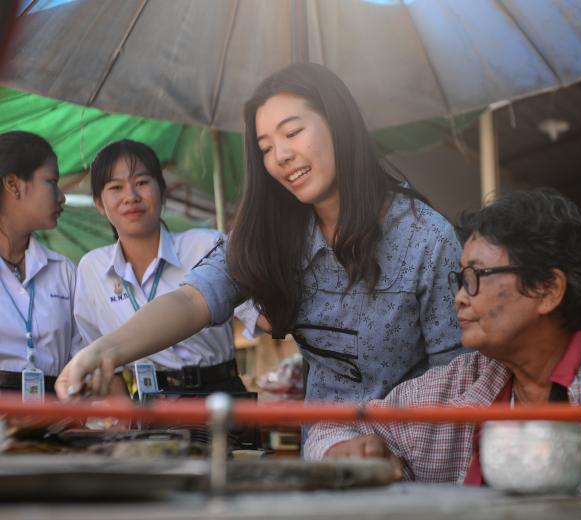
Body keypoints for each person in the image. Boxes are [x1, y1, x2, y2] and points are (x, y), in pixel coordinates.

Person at [304, 189, 581, 520]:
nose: (458, 297)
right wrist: (349, 450)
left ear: (548, 289)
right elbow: (331, 427)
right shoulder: (475, 377)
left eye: (476, 277)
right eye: (459, 278)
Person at [56, 63, 464, 404]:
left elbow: (458, 374)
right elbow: (193, 298)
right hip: (324, 458)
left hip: (417, 462)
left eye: (292, 132)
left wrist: (386, 438)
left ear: (338, 123)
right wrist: (104, 350)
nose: (281, 156)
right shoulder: (275, 233)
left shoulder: (425, 238)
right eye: (265, 147)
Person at [73, 140, 259, 395]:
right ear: (98, 204)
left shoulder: (207, 245)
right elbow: (99, 351)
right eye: (116, 187)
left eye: (141, 183)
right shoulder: (92, 268)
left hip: (217, 393)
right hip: (148, 405)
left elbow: (261, 316)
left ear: (163, 190)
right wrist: (125, 422)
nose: (131, 197)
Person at [0, 131, 82, 395]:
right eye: (52, 181)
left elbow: (82, 355)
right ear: (13, 184)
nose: (61, 197)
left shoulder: (65, 271)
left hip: (57, 425)